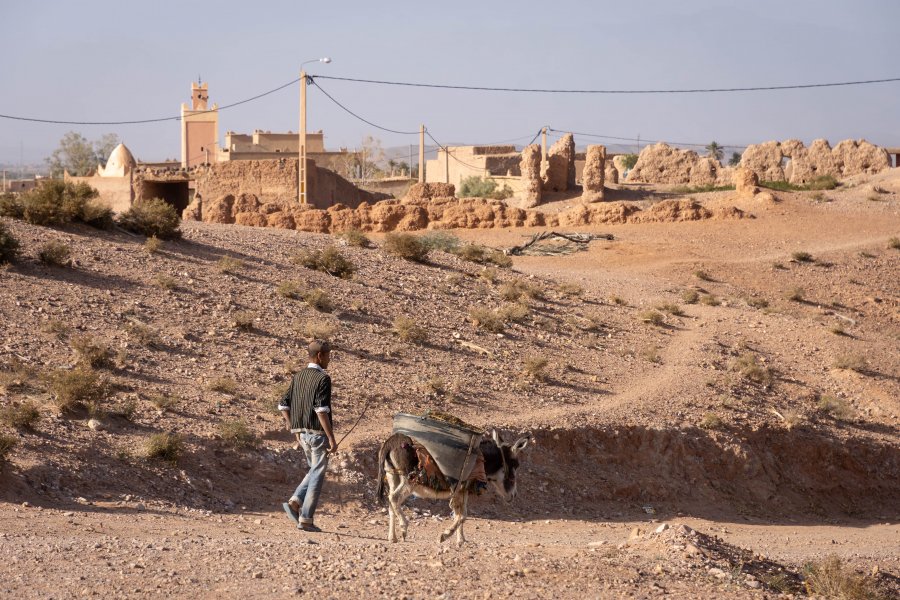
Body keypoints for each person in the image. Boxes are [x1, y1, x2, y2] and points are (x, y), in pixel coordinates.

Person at [278, 339, 338, 532]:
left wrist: (292, 426)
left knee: (313, 471)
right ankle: (306, 518)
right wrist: (331, 437)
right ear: (320, 356)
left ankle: (295, 502)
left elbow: (283, 405)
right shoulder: (323, 379)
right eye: (328, 356)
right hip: (318, 435)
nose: (329, 359)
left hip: (302, 435)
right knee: (317, 477)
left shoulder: (298, 376)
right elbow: (321, 410)